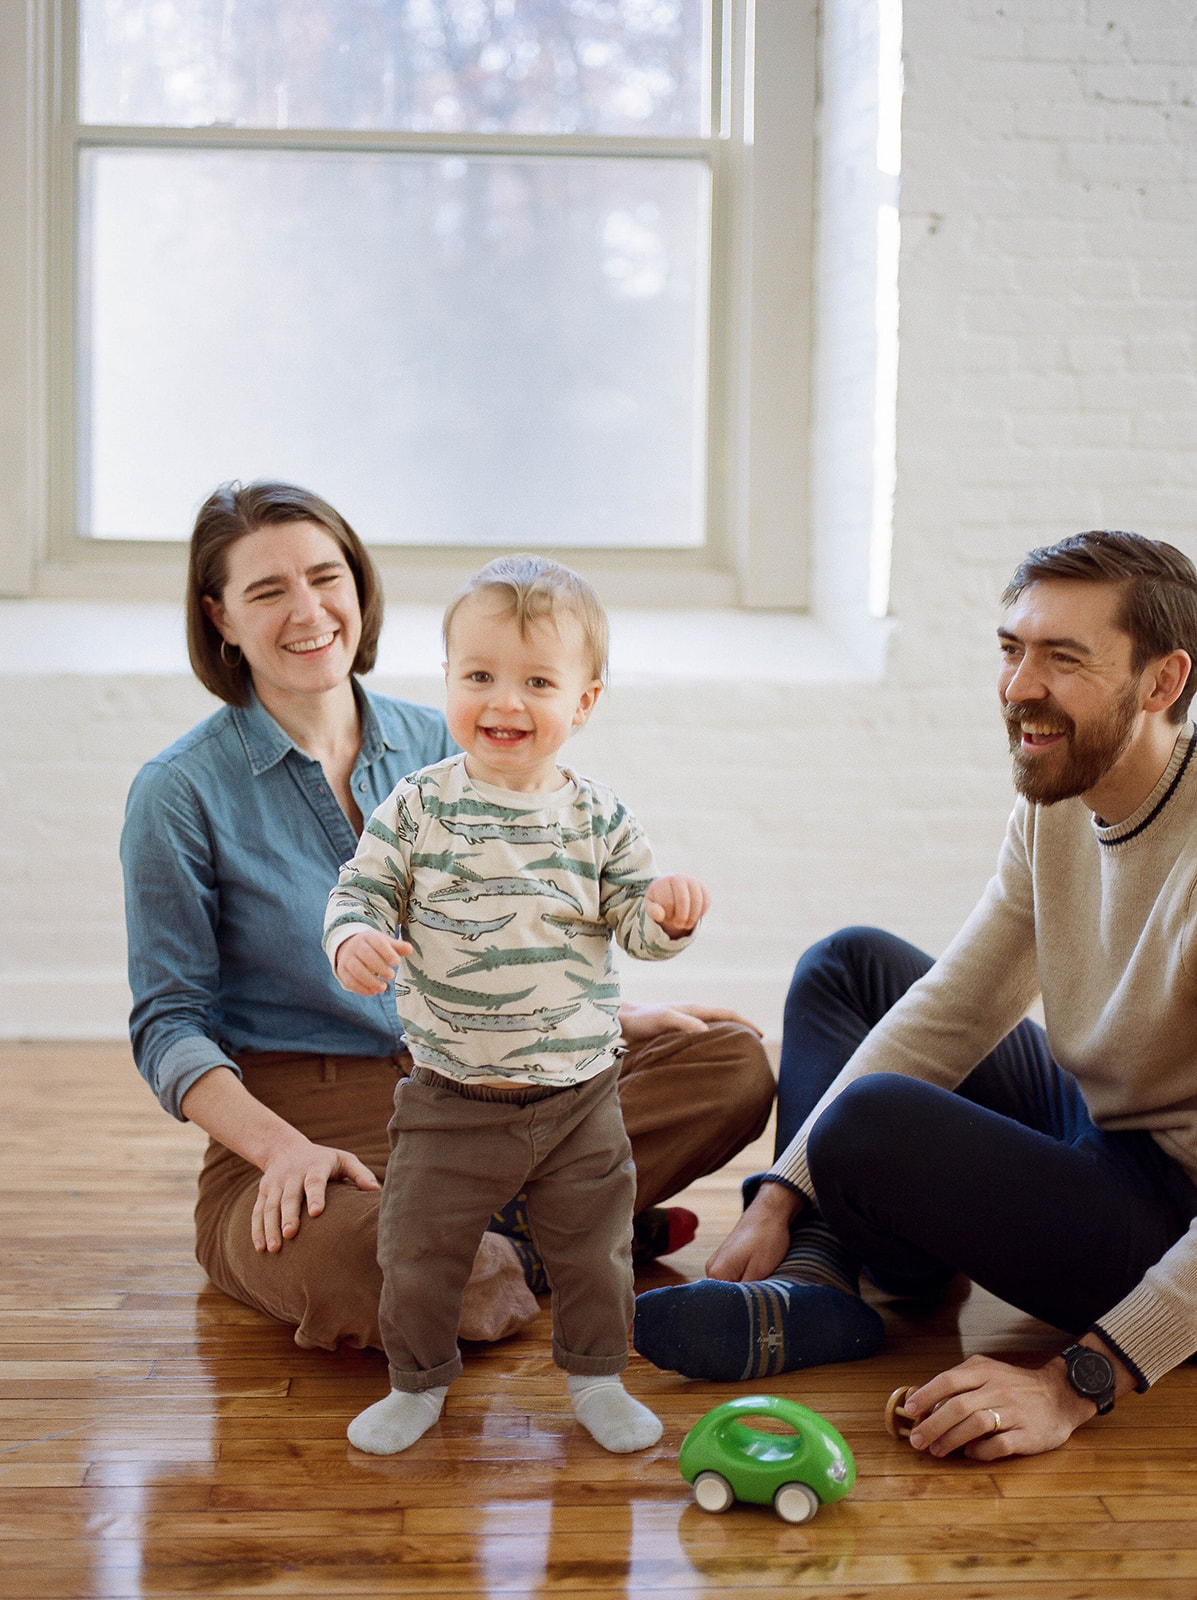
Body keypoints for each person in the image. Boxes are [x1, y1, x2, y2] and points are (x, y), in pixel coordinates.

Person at [122, 480, 775, 1360]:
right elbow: (169, 1024)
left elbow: (522, 922)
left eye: (326, 577)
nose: (308, 611)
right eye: (268, 591)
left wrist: (610, 1022)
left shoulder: (446, 741)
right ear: (222, 619)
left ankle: (502, 1233)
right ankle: (550, 1236)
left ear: (358, 587)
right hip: (310, 1122)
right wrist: (281, 1153)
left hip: (493, 1075)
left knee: (727, 1064)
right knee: (375, 1271)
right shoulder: (178, 793)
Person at [635, 529, 1197, 1462]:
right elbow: (958, 1005)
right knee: (849, 965)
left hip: (1171, 1218)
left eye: (1063, 659)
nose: (1020, 687)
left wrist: (1076, 1381)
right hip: (1102, 1126)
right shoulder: (1059, 802)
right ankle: (820, 1272)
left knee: (871, 1121)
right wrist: (778, 1196)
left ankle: (845, 1261)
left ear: (1161, 682)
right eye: (1011, 649)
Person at [325, 555, 708, 1455]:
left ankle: (595, 1376)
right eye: (480, 676)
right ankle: (416, 1382)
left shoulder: (601, 821)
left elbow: (634, 928)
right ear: (449, 682)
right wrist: (352, 941)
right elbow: (360, 892)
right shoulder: (417, 806)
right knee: (416, 1249)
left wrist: (666, 916)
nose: (505, 701)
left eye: (537, 681)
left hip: (578, 1096)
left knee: (594, 1253)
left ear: (583, 702)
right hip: (450, 1096)